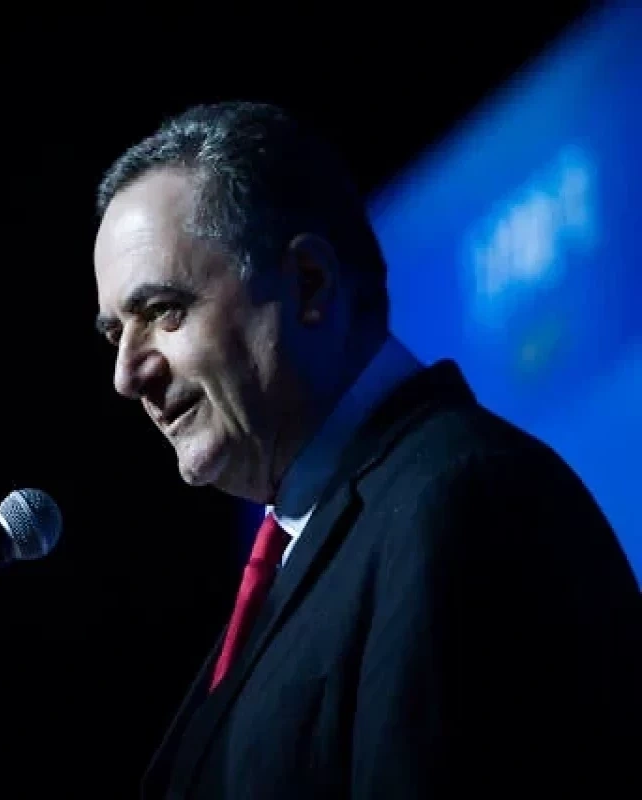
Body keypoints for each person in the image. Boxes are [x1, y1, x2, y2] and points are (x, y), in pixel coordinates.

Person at [92, 101, 640, 799]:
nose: (126, 375)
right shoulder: (310, 546)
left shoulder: (460, 499)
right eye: (116, 333)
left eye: (163, 311)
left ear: (309, 284)